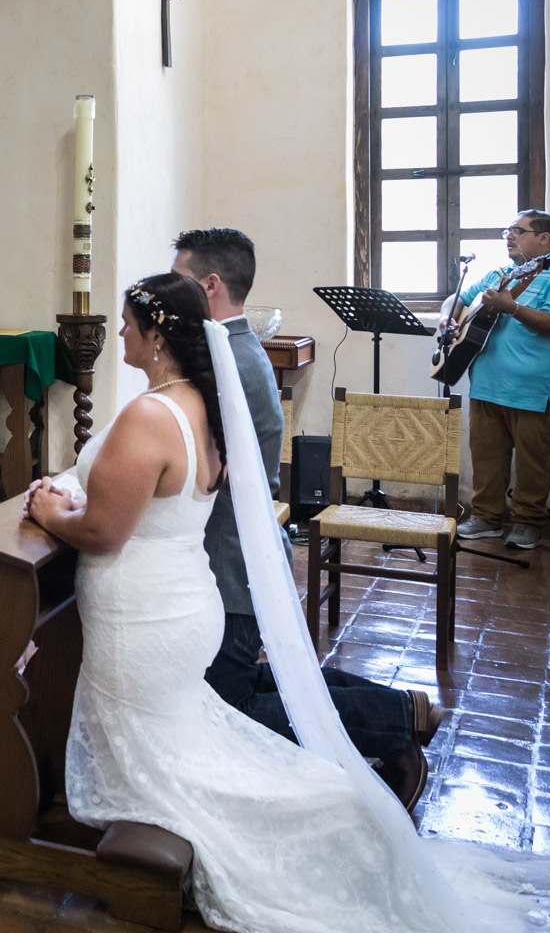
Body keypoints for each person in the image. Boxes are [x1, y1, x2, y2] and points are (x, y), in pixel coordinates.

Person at [22, 273, 550, 932]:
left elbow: (105, 530)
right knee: (193, 736)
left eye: (129, 322)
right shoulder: (200, 406)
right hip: (187, 603)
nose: (120, 331)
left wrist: (53, 508)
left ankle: (334, 812)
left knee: (180, 750)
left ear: (156, 336)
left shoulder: (149, 415)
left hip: (145, 614)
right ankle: (344, 793)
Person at [173, 228, 441, 808]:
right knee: (249, 683)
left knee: (232, 709)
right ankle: (403, 709)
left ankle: (393, 722)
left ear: (211, 285)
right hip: (237, 552)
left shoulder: (233, 360)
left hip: (229, 561)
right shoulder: (233, 349)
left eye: (182, 280)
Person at [450, 210, 550, 551]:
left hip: (536, 389)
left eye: (518, 231)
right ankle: (486, 517)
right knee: (486, 457)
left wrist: (510, 307)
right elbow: (458, 301)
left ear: (544, 238)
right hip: (487, 383)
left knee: (533, 462)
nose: (509, 237)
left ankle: (528, 522)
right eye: (507, 231)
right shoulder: (502, 274)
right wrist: (446, 321)